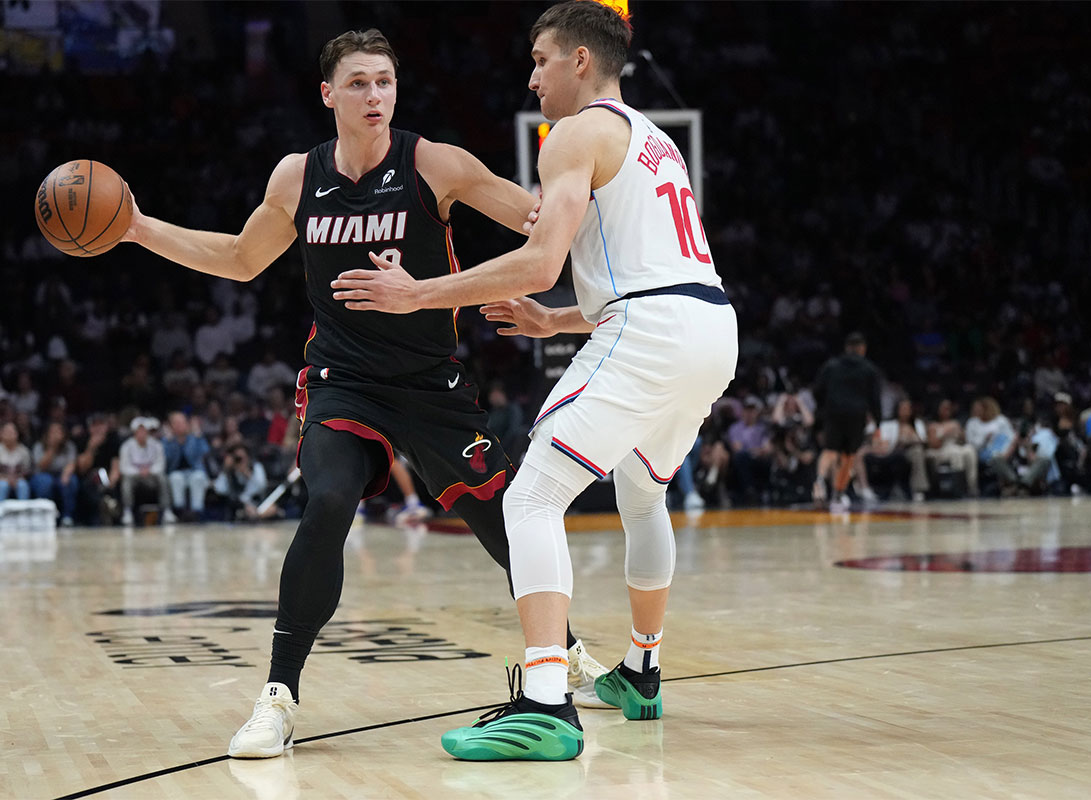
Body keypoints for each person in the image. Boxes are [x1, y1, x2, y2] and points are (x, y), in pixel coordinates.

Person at [115, 28, 607, 759]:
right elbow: (241, 259)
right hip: (344, 384)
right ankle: (279, 696)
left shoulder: (433, 163)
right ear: (328, 94)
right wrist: (135, 226)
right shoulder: (297, 177)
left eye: (384, 82)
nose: (375, 95)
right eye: (358, 84)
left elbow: (545, 224)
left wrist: (594, 270)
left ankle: (561, 650)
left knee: (505, 521)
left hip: (432, 385)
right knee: (328, 500)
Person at [331, 1, 738, 760]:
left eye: (541, 58)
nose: (532, 76)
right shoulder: (654, 142)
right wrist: (557, 324)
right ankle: (642, 670)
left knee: (531, 495)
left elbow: (543, 263)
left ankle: (548, 700)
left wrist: (418, 292)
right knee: (642, 495)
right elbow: (655, 276)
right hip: (710, 327)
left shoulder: (576, 133)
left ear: (580, 61)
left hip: (651, 332)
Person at [811, 332, 882, 512]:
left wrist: (824, 408)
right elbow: (875, 399)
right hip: (856, 415)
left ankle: (820, 481)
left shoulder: (831, 365)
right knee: (849, 455)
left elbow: (817, 390)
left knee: (829, 450)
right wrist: (878, 424)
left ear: (846, 347)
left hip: (833, 412)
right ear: (862, 348)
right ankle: (838, 492)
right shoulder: (869, 368)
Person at [117, 417, 177, 525]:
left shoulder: (156, 445)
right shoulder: (126, 446)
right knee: (126, 481)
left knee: (163, 478)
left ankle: (167, 511)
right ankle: (127, 511)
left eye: (144, 430)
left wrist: (149, 470)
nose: (142, 433)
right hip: (135, 478)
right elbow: (124, 468)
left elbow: (161, 464)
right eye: (139, 430)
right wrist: (139, 471)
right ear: (134, 432)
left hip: (151, 477)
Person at [163, 411, 211, 521]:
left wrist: (198, 435)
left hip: (194, 471)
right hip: (176, 473)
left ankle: (196, 512)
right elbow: (167, 459)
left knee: (198, 477)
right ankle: (179, 511)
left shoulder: (195, 437)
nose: (180, 425)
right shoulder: (167, 441)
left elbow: (205, 451)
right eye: (176, 423)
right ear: (171, 426)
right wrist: (171, 443)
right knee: (176, 478)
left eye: (182, 422)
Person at [30, 420, 80, 526]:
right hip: (42, 474)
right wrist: (52, 447)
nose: (56, 434)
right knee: (45, 482)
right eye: (53, 432)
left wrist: (66, 475)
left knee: (71, 481)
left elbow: (72, 464)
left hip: (61, 474)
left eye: (59, 431)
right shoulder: (39, 446)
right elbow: (42, 466)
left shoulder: (69, 446)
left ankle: (67, 517)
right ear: (47, 434)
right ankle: (45, 515)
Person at [0, 421, 32, 518]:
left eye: (12, 432)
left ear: (17, 434)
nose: (10, 435)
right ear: (1, 434)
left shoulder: (23, 451)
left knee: (23, 485)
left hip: (17, 480)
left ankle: (23, 517)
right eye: (7, 432)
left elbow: (26, 473)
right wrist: (7, 479)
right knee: (2, 486)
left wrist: (15, 479)